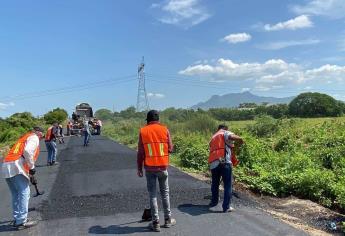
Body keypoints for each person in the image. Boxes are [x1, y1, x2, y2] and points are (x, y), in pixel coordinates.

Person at [137, 110, 176, 232]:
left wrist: (139, 168)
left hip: (149, 168)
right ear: (158, 120)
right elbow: (170, 148)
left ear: (147, 120)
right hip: (163, 167)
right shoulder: (165, 129)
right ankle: (168, 220)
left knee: (152, 195)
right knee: (165, 194)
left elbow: (141, 153)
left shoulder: (143, 131)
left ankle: (155, 223)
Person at [1, 126, 44, 230]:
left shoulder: (24, 138)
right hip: (16, 165)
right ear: (39, 133)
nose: (41, 139)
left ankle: (18, 218)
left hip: (6, 164)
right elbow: (28, 151)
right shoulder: (34, 137)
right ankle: (21, 221)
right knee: (24, 192)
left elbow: (23, 155)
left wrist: (29, 174)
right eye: (41, 136)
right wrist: (32, 167)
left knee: (16, 193)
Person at [208, 124, 243, 213]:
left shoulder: (213, 136)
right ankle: (226, 207)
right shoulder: (224, 132)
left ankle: (213, 202)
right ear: (225, 128)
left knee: (215, 184)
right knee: (228, 184)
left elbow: (211, 147)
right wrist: (241, 139)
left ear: (218, 129)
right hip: (224, 161)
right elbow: (232, 136)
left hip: (213, 163)